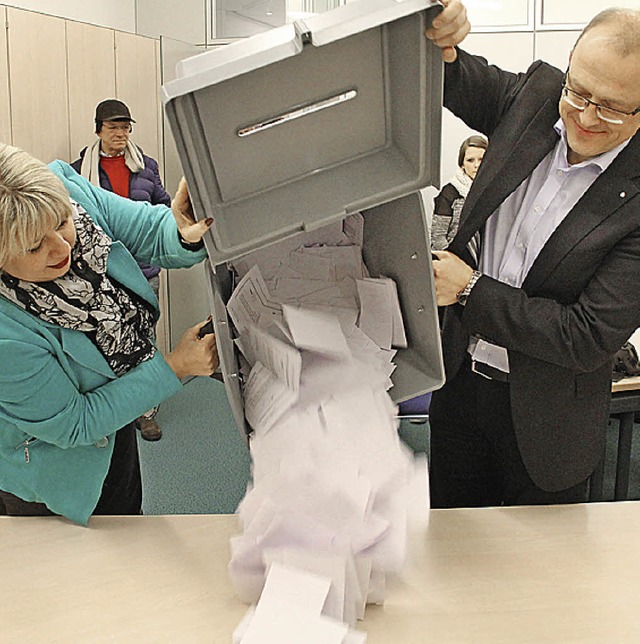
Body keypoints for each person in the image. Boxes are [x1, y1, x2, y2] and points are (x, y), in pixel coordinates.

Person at [424, 1, 640, 508]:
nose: (585, 117)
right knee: (452, 553)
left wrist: (470, 290)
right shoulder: (536, 95)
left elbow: (587, 336)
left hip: (548, 427)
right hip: (460, 391)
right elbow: (450, 72)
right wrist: (433, 25)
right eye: (579, 91)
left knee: (539, 575)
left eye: (610, 107)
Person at [0, 143, 218, 524]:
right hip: (55, 466)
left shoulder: (66, 186)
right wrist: (175, 367)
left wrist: (183, 229)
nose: (63, 246)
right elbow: (75, 423)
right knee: (72, 567)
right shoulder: (7, 333)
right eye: (36, 246)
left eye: (62, 221)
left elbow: (149, 229)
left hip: (117, 416)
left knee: (128, 516)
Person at [72, 99, 169, 441]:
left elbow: (163, 210)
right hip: (102, 275)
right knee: (105, 343)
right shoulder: (78, 171)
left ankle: (146, 411)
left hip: (143, 271)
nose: (121, 134)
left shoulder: (147, 167)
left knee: (144, 341)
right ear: (98, 129)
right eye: (114, 127)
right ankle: (116, 409)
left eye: (126, 127)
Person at [430, 134, 487, 251]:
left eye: (481, 159)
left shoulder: (494, 191)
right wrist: (453, 262)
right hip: (456, 259)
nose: (476, 165)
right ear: (462, 164)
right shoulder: (450, 192)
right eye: (470, 160)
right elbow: (438, 237)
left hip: (489, 261)